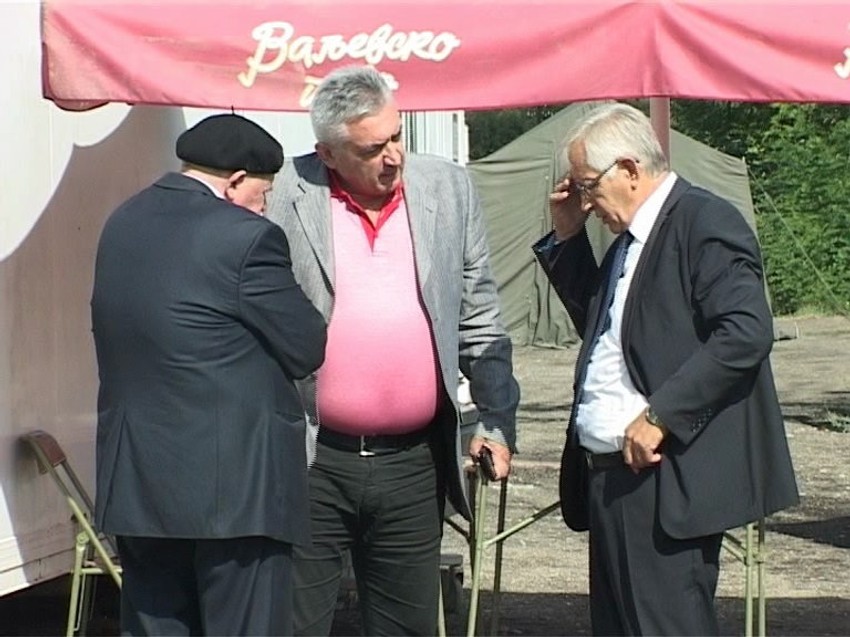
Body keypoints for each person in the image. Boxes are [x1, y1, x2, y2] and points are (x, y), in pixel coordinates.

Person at [265, 65, 520, 636]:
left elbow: (480, 316)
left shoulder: (447, 188)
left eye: (396, 136)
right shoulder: (284, 192)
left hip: (413, 465)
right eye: (371, 148)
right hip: (310, 460)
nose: (393, 156)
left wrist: (497, 420)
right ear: (328, 154)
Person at [533, 103, 799, 635]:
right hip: (610, 478)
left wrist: (663, 415)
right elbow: (609, 331)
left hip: (662, 480)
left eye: (589, 186)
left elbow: (746, 331)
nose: (587, 202)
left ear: (629, 170)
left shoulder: (704, 222)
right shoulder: (630, 240)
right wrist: (566, 239)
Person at [91, 113, 327, 636]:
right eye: (264, 193)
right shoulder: (247, 238)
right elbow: (306, 344)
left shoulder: (121, 223)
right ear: (236, 180)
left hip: (139, 481)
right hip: (237, 488)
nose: (264, 206)